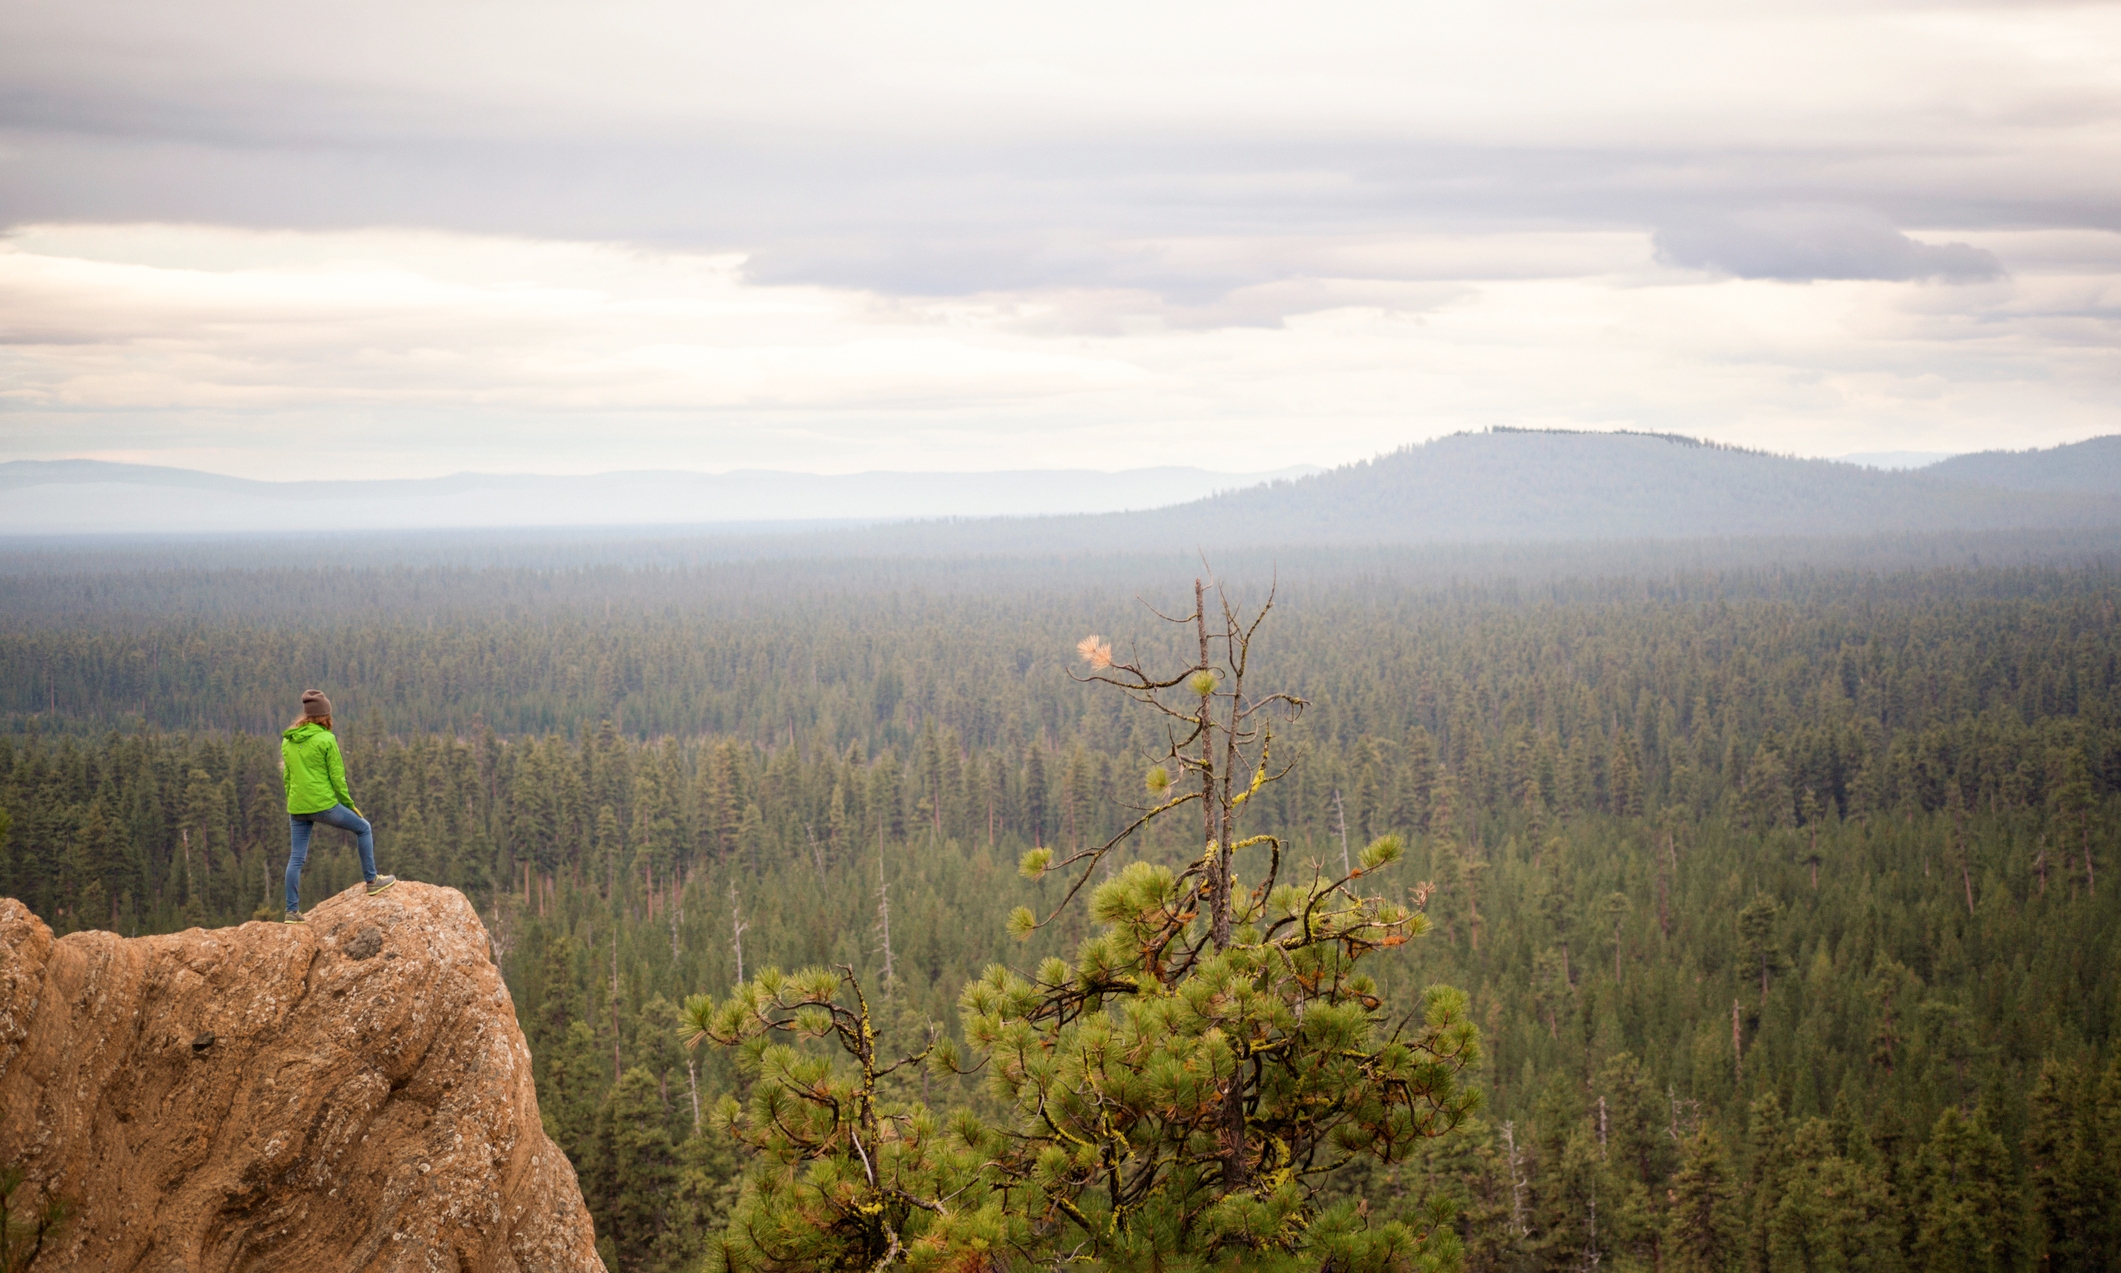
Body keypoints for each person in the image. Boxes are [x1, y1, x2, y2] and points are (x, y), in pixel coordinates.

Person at [281, 689, 396, 922]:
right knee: (363, 828)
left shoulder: (289, 740)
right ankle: (372, 881)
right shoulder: (326, 739)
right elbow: (337, 777)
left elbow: (288, 778)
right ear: (325, 715)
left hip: (297, 806)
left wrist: (294, 801)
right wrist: (349, 805)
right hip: (323, 803)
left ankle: (291, 911)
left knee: (296, 858)